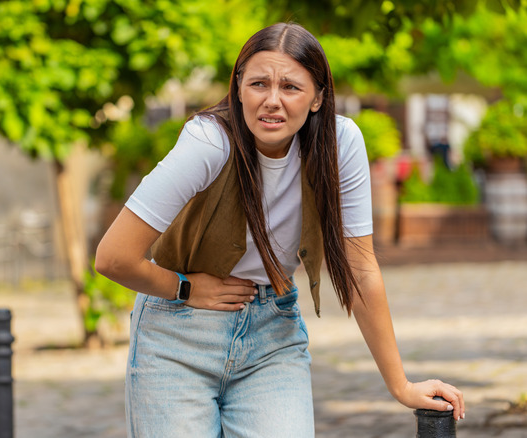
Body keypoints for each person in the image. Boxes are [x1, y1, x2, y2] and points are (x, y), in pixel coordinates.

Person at [95, 22, 465, 437]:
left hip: (272, 337)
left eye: (290, 87)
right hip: (176, 338)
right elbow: (113, 257)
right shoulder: (208, 142)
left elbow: (360, 270)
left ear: (318, 98)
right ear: (238, 88)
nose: (272, 101)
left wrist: (401, 385)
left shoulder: (340, 145)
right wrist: (187, 288)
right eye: (258, 83)